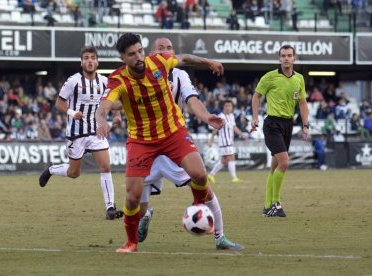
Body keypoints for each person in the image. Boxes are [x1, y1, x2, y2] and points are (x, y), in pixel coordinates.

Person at [96, 33, 244, 253]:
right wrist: (101, 120)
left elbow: (187, 63)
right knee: (133, 198)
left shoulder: (164, 65)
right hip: (142, 142)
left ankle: (204, 214)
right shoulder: (118, 79)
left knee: (201, 175)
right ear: (123, 58)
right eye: (131, 54)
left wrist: (208, 63)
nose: (138, 57)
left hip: (172, 134)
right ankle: (131, 242)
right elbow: (105, 105)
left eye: (140, 51)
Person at [38, 46, 124, 220]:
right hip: (76, 133)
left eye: (93, 57)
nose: (90, 61)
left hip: (96, 131)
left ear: (97, 61)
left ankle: (110, 208)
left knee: (106, 167)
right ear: (81, 62)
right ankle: (52, 169)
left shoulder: (105, 82)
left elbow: (113, 100)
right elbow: (59, 103)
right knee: (74, 173)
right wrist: (71, 113)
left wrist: (117, 115)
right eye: (86, 58)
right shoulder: (73, 81)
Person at [251, 44, 310, 218]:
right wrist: (255, 117)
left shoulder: (299, 79)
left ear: (294, 58)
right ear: (279, 58)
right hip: (272, 124)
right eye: (283, 55)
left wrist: (306, 125)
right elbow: (256, 96)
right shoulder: (269, 77)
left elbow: (302, 103)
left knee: (275, 166)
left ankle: (267, 207)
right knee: (284, 162)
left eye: (289, 55)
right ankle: (276, 204)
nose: (286, 58)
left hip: (288, 125)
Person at [207, 100, 248, 184]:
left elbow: (234, 127)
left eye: (230, 106)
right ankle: (234, 178)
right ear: (223, 107)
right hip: (224, 142)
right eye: (227, 106)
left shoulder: (232, 116)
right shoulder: (221, 117)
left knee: (224, 161)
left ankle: (211, 175)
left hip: (229, 141)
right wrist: (211, 140)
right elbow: (215, 129)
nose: (229, 107)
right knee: (231, 157)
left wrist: (242, 134)